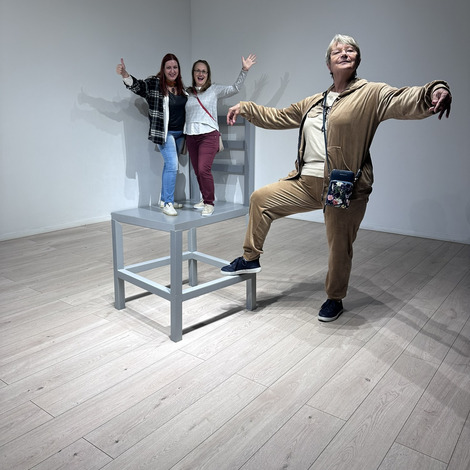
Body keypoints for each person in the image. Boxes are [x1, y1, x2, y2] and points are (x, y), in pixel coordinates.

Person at [221, 34, 452, 322]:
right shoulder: (314, 102)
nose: (344, 53)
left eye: (350, 50)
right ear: (329, 64)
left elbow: (402, 98)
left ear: (357, 59)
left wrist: (434, 91)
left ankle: (334, 298)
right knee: (261, 199)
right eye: (337, 51)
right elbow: (279, 116)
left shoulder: (370, 94)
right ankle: (250, 258)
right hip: (306, 182)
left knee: (339, 244)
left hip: (343, 185)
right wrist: (246, 108)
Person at [185, 54, 257, 216]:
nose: (200, 73)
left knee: (203, 169)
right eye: (197, 70)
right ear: (193, 73)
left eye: (204, 71)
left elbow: (235, 88)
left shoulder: (214, 89)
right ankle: (204, 198)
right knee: (197, 170)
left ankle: (209, 202)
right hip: (190, 134)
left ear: (208, 74)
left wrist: (244, 70)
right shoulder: (187, 92)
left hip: (208, 135)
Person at [116, 54, 187, 216]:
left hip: (180, 134)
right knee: (172, 165)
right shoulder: (155, 84)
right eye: (168, 67)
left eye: (175, 67)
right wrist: (125, 74)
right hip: (164, 133)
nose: (172, 71)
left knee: (170, 166)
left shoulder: (181, 87)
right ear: (163, 69)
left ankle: (164, 199)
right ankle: (168, 203)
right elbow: (138, 86)